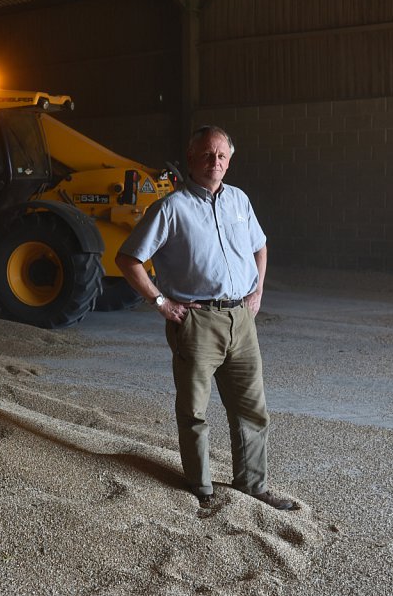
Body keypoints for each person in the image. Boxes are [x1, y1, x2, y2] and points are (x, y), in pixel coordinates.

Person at [114, 125, 295, 511]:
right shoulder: (171, 208)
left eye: (222, 156)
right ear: (191, 159)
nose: (216, 162)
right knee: (195, 411)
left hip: (241, 320)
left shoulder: (240, 202)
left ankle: (253, 486)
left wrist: (258, 290)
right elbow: (128, 259)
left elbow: (260, 247)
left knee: (251, 409)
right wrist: (161, 302)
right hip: (197, 323)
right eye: (207, 155)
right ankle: (201, 489)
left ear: (230, 160)